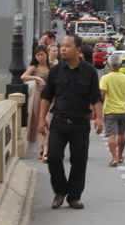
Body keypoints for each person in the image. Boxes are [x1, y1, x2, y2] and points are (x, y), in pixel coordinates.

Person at [39, 35, 103, 210]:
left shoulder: (89, 71)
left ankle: (74, 196)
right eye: (62, 46)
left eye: (67, 46)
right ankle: (60, 192)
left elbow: (96, 97)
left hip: (80, 123)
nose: (63, 49)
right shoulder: (55, 72)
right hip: (58, 122)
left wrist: (99, 118)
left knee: (79, 160)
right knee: (53, 157)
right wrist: (41, 119)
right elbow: (46, 96)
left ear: (78, 50)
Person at [98, 57, 125, 167]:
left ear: (108, 65)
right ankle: (120, 155)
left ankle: (114, 158)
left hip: (110, 111)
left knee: (112, 135)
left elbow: (102, 94)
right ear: (121, 65)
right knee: (122, 134)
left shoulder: (105, 78)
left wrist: (98, 108)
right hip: (124, 110)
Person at [22, 46, 53, 161]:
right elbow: (23, 77)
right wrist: (36, 78)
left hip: (50, 99)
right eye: (38, 55)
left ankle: (45, 152)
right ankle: (44, 149)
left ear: (46, 54)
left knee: (48, 121)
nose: (41, 57)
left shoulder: (52, 67)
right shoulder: (34, 68)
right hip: (38, 97)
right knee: (38, 121)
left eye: (42, 54)